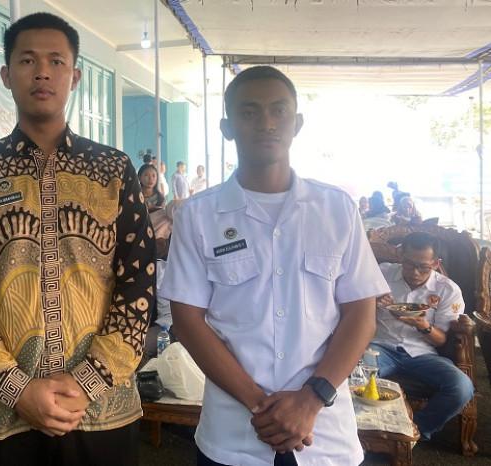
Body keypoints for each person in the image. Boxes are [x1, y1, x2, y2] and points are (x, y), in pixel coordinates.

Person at [0, 13, 155, 466]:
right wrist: (16, 389)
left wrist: (87, 382)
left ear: (75, 76)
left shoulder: (113, 170)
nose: (42, 73)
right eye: (27, 61)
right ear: (6, 75)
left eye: (56, 61)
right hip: (3, 414)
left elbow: (138, 286)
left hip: (101, 411)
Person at [160, 65, 389, 466]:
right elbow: (187, 320)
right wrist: (259, 404)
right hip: (234, 435)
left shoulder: (336, 209)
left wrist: (311, 399)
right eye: (249, 112)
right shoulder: (199, 215)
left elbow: (360, 314)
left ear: (296, 123)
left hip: (325, 437)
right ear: (227, 128)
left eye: (278, 111)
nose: (266, 123)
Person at [371, 232, 474, 441]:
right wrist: (371, 301)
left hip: (422, 353)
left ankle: (413, 431)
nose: (415, 272)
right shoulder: (382, 274)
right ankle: (368, 431)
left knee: (462, 388)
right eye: (409, 264)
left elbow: (441, 340)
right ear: (401, 255)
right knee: (354, 375)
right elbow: (352, 306)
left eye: (423, 267)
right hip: (380, 347)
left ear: (436, 263)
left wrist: (423, 326)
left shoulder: (447, 290)